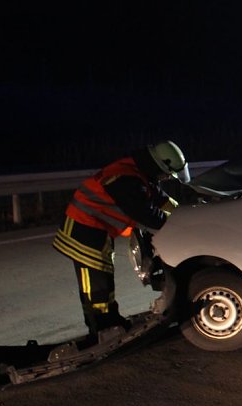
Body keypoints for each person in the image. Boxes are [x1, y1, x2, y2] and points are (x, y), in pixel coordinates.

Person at [52, 141, 189, 340]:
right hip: (85, 230)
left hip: (95, 229)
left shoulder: (137, 174)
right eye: (167, 173)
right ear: (158, 165)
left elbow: (160, 199)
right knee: (96, 285)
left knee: (103, 279)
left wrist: (185, 213)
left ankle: (110, 322)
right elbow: (146, 214)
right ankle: (101, 329)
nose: (167, 178)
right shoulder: (125, 179)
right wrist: (175, 224)